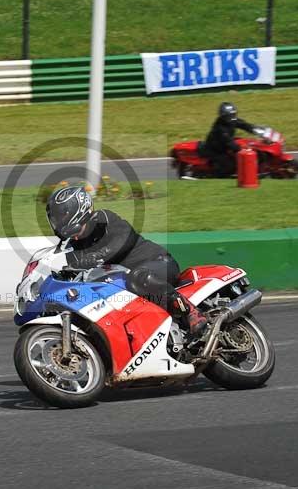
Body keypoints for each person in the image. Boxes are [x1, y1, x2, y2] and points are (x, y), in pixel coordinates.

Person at [46, 186, 208, 337]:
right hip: (127, 283)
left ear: (77, 209)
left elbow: (125, 239)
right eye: (56, 218)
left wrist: (98, 255)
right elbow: (68, 270)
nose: (58, 221)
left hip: (159, 263)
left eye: (63, 215)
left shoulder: (103, 219)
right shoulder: (71, 245)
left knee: (138, 276)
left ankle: (190, 312)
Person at [202, 102, 256, 178]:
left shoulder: (232, 120)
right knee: (229, 165)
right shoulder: (220, 128)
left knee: (245, 142)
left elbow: (243, 124)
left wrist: (256, 129)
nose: (232, 117)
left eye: (233, 114)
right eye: (230, 116)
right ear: (224, 116)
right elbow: (228, 142)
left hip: (224, 145)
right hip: (215, 149)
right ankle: (215, 178)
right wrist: (242, 149)